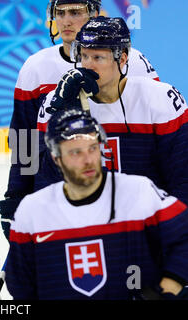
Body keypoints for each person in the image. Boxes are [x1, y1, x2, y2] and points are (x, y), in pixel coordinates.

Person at [0, 0, 159, 240]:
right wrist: (17, 193)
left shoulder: (133, 62)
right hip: (64, 190)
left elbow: (154, 129)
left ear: (94, 13)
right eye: (60, 13)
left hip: (126, 190)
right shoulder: (35, 69)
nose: (66, 20)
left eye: (75, 12)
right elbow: (25, 140)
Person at [5, 109, 188, 299]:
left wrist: (164, 290)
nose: (88, 160)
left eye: (92, 148)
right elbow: (22, 288)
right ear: (56, 158)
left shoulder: (138, 192)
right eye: (76, 152)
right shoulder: (32, 212)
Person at [38, 16, 188, 206]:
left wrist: (173, 228)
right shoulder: (57, 101)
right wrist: (65, 115)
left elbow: (183, 180)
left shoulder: (160, 99)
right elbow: (47, 183)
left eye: (97, 57)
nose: (88, 65)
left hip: (151, 222)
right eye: (84, 56)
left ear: (122, 58)